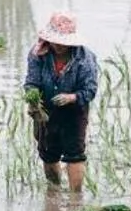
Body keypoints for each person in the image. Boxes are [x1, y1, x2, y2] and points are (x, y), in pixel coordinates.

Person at [25, 10, 99, 193]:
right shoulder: (38, 54)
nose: (58, 46)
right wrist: (33, 101)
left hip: (75, 111)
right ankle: (54, 193)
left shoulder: (85, 58)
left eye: (63, 42)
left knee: (75, 154)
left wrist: (71, 97)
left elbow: (90, 90)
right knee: (48, 153)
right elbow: (32, 82)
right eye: (55, 41)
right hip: (46, 110)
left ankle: (76, 197)